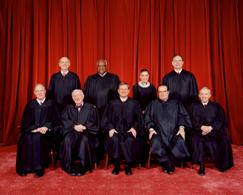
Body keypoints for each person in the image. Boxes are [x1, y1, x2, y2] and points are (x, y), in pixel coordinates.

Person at [144, 85, 192, 174]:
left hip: (174, 131)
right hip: (158, 131)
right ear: (157, 93)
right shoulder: (153, 104)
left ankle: (171, 161)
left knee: (180, 141)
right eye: (160, 92)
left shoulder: (176, 103)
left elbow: (183, 116)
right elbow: (147, 118)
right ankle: (166, 161)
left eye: (164, 91)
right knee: (155, 142)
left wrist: (181, 128)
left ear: (168, 92)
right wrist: (151, 129)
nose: (162, 93)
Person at [16, 84, 59, 177]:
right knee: (25, 137)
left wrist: (46, 127)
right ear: (34, 93)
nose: (40, 93)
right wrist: (34, 128)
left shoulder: (51, 104)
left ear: (45, 91)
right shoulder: (31, 104)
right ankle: (25, 168)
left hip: (47, 133)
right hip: (33, 130)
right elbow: (25, 121)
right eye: (37, 91)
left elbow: (56, 120)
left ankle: (38, 168)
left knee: (37, 137)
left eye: (41, 90)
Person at [189, 87, 233, 176]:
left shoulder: (216, 107)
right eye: (202, 94)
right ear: (199, 95)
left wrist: (211, 128)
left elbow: (221, 120)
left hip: (213, 131)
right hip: (198, 131)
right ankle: (201, 165)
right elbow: (190, 120)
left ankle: (222, 163)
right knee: (197, 140)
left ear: (209, 95)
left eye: (206, 94)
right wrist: (201, 127)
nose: (204, 96)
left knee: (224, 140)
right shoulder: (193, 106)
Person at [101, 83, 143, 175]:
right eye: (121, 89)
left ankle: (128, 165)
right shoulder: (112, 103)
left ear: (129, 91)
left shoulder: (134, 103)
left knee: (129, 140)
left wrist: (133, 128)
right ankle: (116, 165)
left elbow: (138, 119)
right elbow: (106, 119)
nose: (123, 91)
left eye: (125, 89)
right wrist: (111, 128)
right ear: (118, 91)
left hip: (129, 131)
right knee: (114, 140)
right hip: (115, 130)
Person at [83, 59, 120, 162]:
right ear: (97, 66)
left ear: (106, 66)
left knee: (109, 131)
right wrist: (90, 108)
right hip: (95, 110)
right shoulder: (91, 79)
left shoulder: (114, 78)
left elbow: (119, 94)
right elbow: (85, 95)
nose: (101, 67)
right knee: (96, 132)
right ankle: (97, 155)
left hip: (110, 111)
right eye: (99, 66)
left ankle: (111, 155)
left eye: (103, 65)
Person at [60, 89, 99, 176]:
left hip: (86, 132)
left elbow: (94, 122)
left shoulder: (91, 108)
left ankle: (83, 167)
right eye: (75, 96)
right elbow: (64, 120)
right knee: (67, 140)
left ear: (83, 96)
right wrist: (74, 126)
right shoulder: (68, 108)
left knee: (84, 140)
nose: (77, 97)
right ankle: (68, 167)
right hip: (72, 131)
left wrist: (85, 127)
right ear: (72, 98)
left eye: (79, 95)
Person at [132, 68, 156, 165]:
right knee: (140, 135)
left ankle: (148, 158)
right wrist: (141, 111)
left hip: (150, 114)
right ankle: (139, 159)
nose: (145, 77)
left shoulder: (153, 88)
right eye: (143, 75)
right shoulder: (136, 87)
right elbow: (135, 102)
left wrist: (148, 111)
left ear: (148, 76)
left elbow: (154, 102)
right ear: (140, 76)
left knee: (148, 135)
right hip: (139, 114)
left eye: (146, 75)